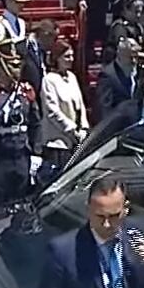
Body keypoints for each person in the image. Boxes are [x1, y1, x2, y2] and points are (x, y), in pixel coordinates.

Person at [0, 23, 40, 205]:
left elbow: (35, 124)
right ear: (1, 66)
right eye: (12, 65)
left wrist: (36, 152)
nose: (17, 70)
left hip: (21, 157)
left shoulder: (25, 91)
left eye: (19, 65)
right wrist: (0, 117)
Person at [39, 39, 88, 181]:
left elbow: (80, 105)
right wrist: (71, 129)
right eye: (67, 56)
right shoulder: (49, 80)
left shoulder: (72, 77)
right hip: (58, 143)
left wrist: (84, 128)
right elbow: (52, 111)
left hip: (76, 141)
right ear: (57, 58)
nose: (71, 59)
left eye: (72, 56)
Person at [96, 34, 140, 120]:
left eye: (136, 56)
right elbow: (105, 108)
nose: (134, 60)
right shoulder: (108, 75)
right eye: (130, 56)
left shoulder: (139, 73)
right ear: (120, 54)